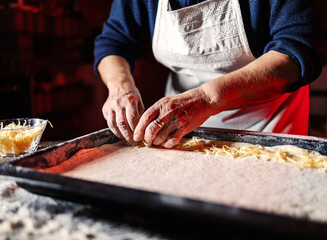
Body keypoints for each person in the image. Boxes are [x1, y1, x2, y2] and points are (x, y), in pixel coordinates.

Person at [94, 0, 326, 148]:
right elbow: (114, 41)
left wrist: (205, 99)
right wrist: (120, 87)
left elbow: (298, 50)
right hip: (178, 133)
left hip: (268, 132)